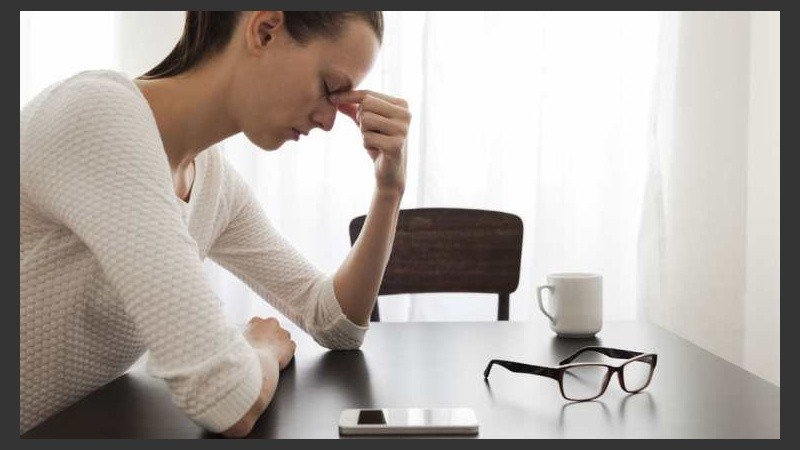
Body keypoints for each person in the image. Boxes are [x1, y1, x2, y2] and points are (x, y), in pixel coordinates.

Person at [20, 11, 410, 437]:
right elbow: (224, 398)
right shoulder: (98, 118)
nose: (329, 121)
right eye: (330, 88)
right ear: (265, 30)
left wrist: (389, 190)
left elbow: (335, 323)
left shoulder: (212, 182)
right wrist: (261, 349)